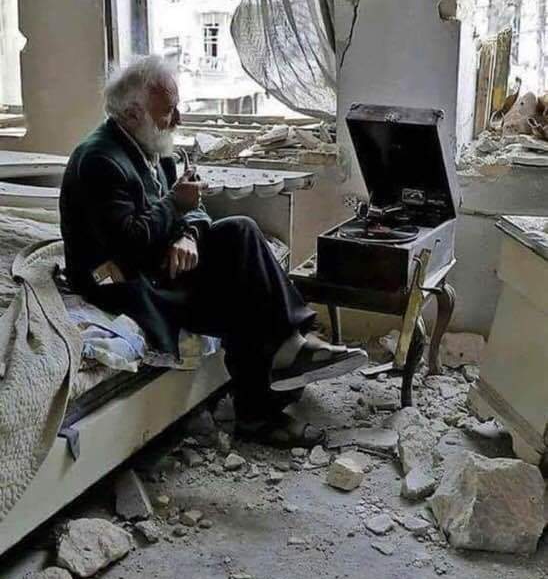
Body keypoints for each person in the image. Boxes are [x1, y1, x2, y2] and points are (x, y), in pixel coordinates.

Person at [60, 57, 363, 446]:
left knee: (242, 231)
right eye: (169, 111)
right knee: (244, 294)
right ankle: (263, 405)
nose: (179, 120)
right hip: (123, 280)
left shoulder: (155, 146)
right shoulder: (100, 160)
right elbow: (129, 246)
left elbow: (198, 207)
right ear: (134, 113)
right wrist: (174, 206)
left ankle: (290, 350)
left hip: (161, 258)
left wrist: (187, 234)